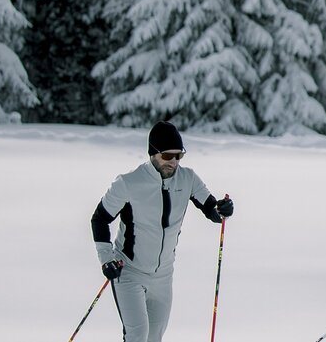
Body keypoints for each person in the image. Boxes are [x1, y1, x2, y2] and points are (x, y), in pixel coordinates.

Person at [90, 119, 234, 342]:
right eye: (167, 155)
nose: (174, 162)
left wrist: (222, 209)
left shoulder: (188, 179)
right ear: (153, 153)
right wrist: (106, 259)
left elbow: (211, 209)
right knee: (138, 335)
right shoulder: (128, 183)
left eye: (179, 155)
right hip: (129, 271)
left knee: (154, 337)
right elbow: (99, 219)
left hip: (163, 276)